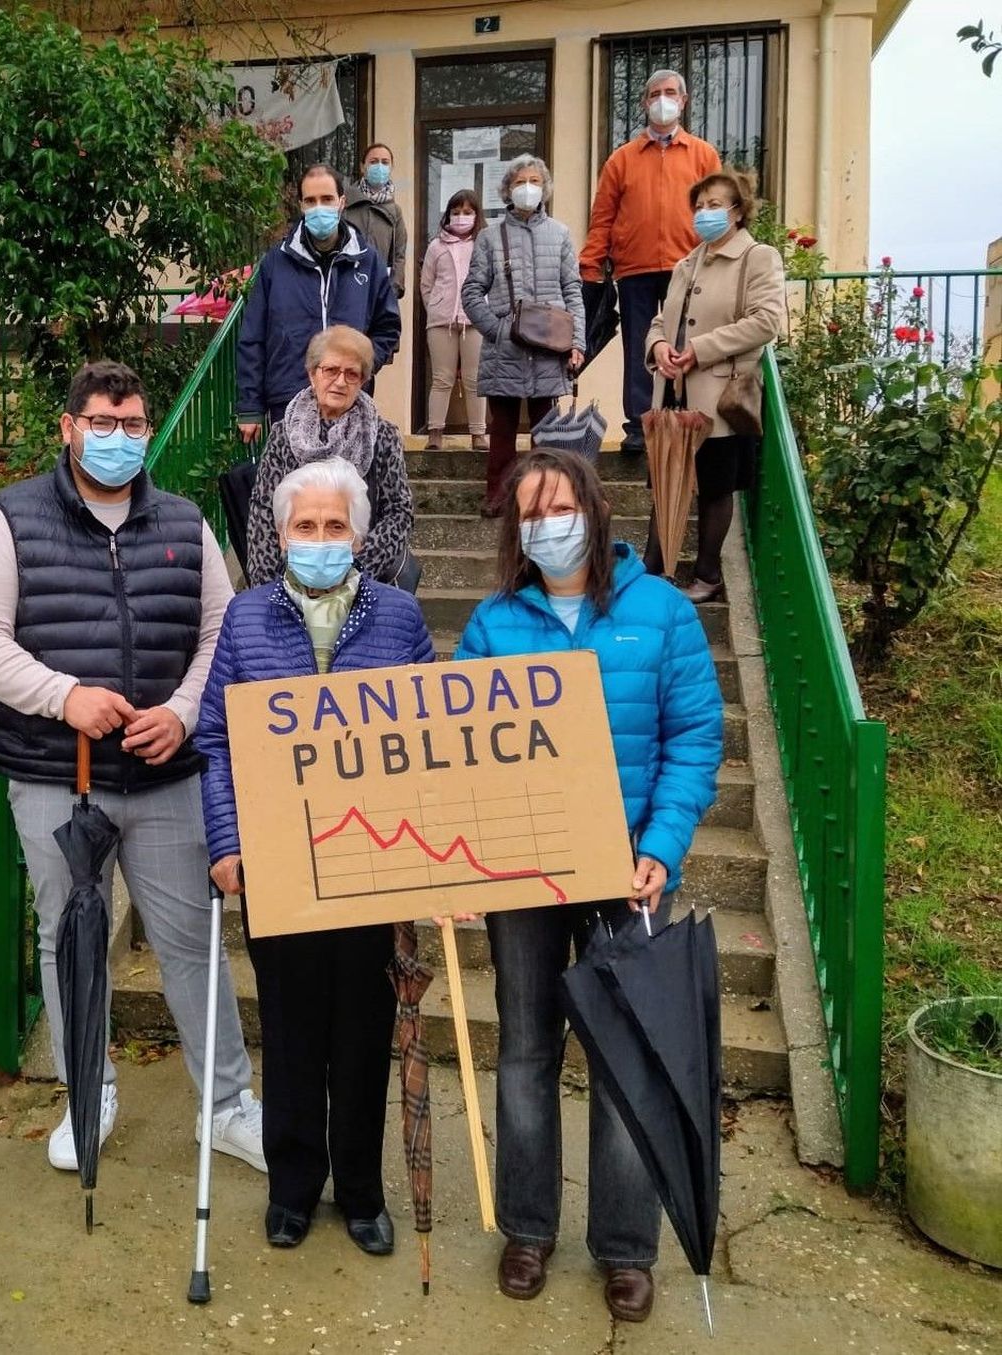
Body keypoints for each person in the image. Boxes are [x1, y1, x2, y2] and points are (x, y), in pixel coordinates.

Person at [0, 359, 265, 1178]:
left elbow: (219, 637)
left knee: (193, 940)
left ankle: (228, 1103)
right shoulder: (10, 520)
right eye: (101, 422)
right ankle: (86, 1091)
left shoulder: (184, 521)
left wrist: (188, 712)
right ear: (68, 427)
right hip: (60, 774)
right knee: (69, 938)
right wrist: (65, 697)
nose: (118, 439)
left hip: (167, 777)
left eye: (132, 425)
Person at [450, 448, 723, 1323]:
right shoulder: (494, 623)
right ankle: (528, 1228)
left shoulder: (664, 612)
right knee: (525, 1052)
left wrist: (664, 845)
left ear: (596, 509)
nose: (546, 524)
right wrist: (464, 857)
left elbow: (694, 738)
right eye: (529, 512)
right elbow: (457, 749)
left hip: (626, 872)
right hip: (525, 875)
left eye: (559, 505)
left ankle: (626, 1248)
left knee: (627, 1062)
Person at [197, 457, 436, 1254]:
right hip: (279, 860)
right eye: (307, 526)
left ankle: (362, 1192)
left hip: (371, 859)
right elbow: (216, 738)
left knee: (364, 1030)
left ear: (360, 536)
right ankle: (293, 1187)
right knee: (293, 1030)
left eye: (336, 526)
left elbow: (432, 740)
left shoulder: (400, 618)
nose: (321, 539)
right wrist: (228, 841)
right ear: (282, 532)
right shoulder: (247, 617)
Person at [645, 168, 784, 602]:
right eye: (700, 206)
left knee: (714, 486)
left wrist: (700, 349)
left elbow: (766, 321)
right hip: (674, 392)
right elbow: (659, 319)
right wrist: (660, 346)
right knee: (666, 482)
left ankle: (707, 574)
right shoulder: (688, 261)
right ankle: (652, 571)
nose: (704, 214)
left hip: (719, 394)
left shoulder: (757, 257)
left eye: (715, 205)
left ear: (738, 211)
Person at [578, 69, 722, 454]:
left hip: (687, 268)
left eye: (671, 92)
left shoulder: (703, 154)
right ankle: (640, 427)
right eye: (656, 93)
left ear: (684, 101)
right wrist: (591, 265)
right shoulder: (621, 160)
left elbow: (717, 210)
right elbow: (603, 217)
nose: (663, 99)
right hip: (634, 270)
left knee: (682, 347)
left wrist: (719, 257)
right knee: (640, 349)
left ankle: (680, 422)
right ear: (644, 103)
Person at [236, 164, 403, 441]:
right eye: (310, 201)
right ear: (301, 205)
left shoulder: (367, 260)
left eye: (326, 199)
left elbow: (387, 327)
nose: (319, 207)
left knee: (346, 484)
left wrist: (359, 368)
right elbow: (252, 337)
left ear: (341, 202)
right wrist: (250, 406)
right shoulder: (275, 263)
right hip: (288, 399)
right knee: (293, 485)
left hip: (350, 400)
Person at [462, 155, 586, 516]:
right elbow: (472, 292)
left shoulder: (560, 234)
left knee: (546, 431)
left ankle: (544, 497)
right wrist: (497, 330)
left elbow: (573, 290)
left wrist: (577, 342)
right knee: (501, 429)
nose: (527, 187)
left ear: (544, 187)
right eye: (520, 182)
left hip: (550, 348)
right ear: (508, 190)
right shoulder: (489, 237)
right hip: (506, 349)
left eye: (534, 180)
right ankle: (499, 496)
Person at [244, 325, 413, 588]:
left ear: (362, 381)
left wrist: (353, 573)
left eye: (352, 374)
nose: (340, 381)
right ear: (312, 374)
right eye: (331, 370)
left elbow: (399, 512)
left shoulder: (382, 435)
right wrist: (268, 586)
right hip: (290, 577)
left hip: (364, 580)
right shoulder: (284, 434)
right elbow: (264, 510)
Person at [420, 187, 488, 451]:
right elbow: (427, 284)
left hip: (475, 321)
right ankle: (435, 432)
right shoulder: (436, 246)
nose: (461, 217)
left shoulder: (483, 243)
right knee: (442, 378)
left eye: (467, 212)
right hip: (441, 323)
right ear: (448, 214)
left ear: (476, 214)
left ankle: (478, 434)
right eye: (456, 211)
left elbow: (491, 281)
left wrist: (485, 311)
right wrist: (437, 308)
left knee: (474, 379)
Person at [344, 142, 409, 301]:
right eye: (373, 162)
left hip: (381, 293)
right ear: (363, 167)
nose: (379, 166)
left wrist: (392, 291)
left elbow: (399, 256)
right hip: (347, 290)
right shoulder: (345, 204)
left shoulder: (395, 212)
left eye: (385, 162)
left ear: (391, 167)